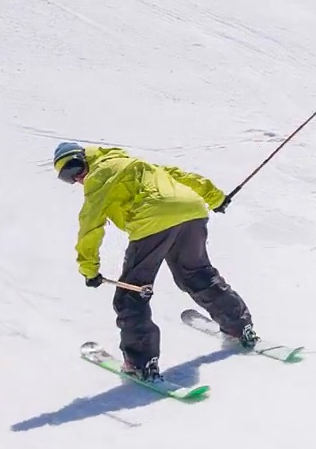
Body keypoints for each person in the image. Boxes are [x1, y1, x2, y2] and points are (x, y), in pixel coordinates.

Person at [54, 141, 257, 380]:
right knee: (196, 273)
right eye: (67, 176)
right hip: (192, 211)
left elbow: (90, 224)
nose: (77, 177)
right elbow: (178, 175)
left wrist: (89, 269)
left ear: (84, 157)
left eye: (75, 168)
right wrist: (215, 198)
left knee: (132, 293)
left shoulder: (99, 175)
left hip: (152, 221)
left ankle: (141, 364)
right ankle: (238, 326)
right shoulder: (131, 162)